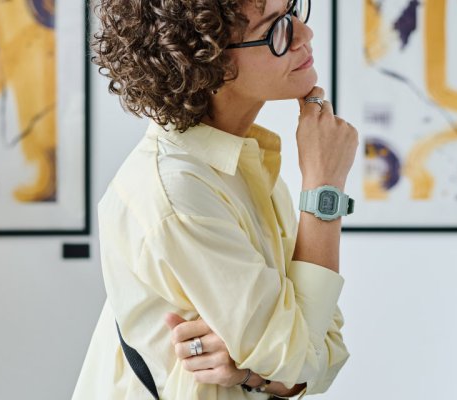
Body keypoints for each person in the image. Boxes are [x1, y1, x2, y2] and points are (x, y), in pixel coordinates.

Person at [73, 0, 358, 398]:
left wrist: (252, 374)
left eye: (294, 11)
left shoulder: (243, 166)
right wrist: (325, 188)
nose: (304, 34)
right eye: (276, 29)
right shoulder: (177, 192)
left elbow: (323, 356)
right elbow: (304, 355)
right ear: (210, 60)